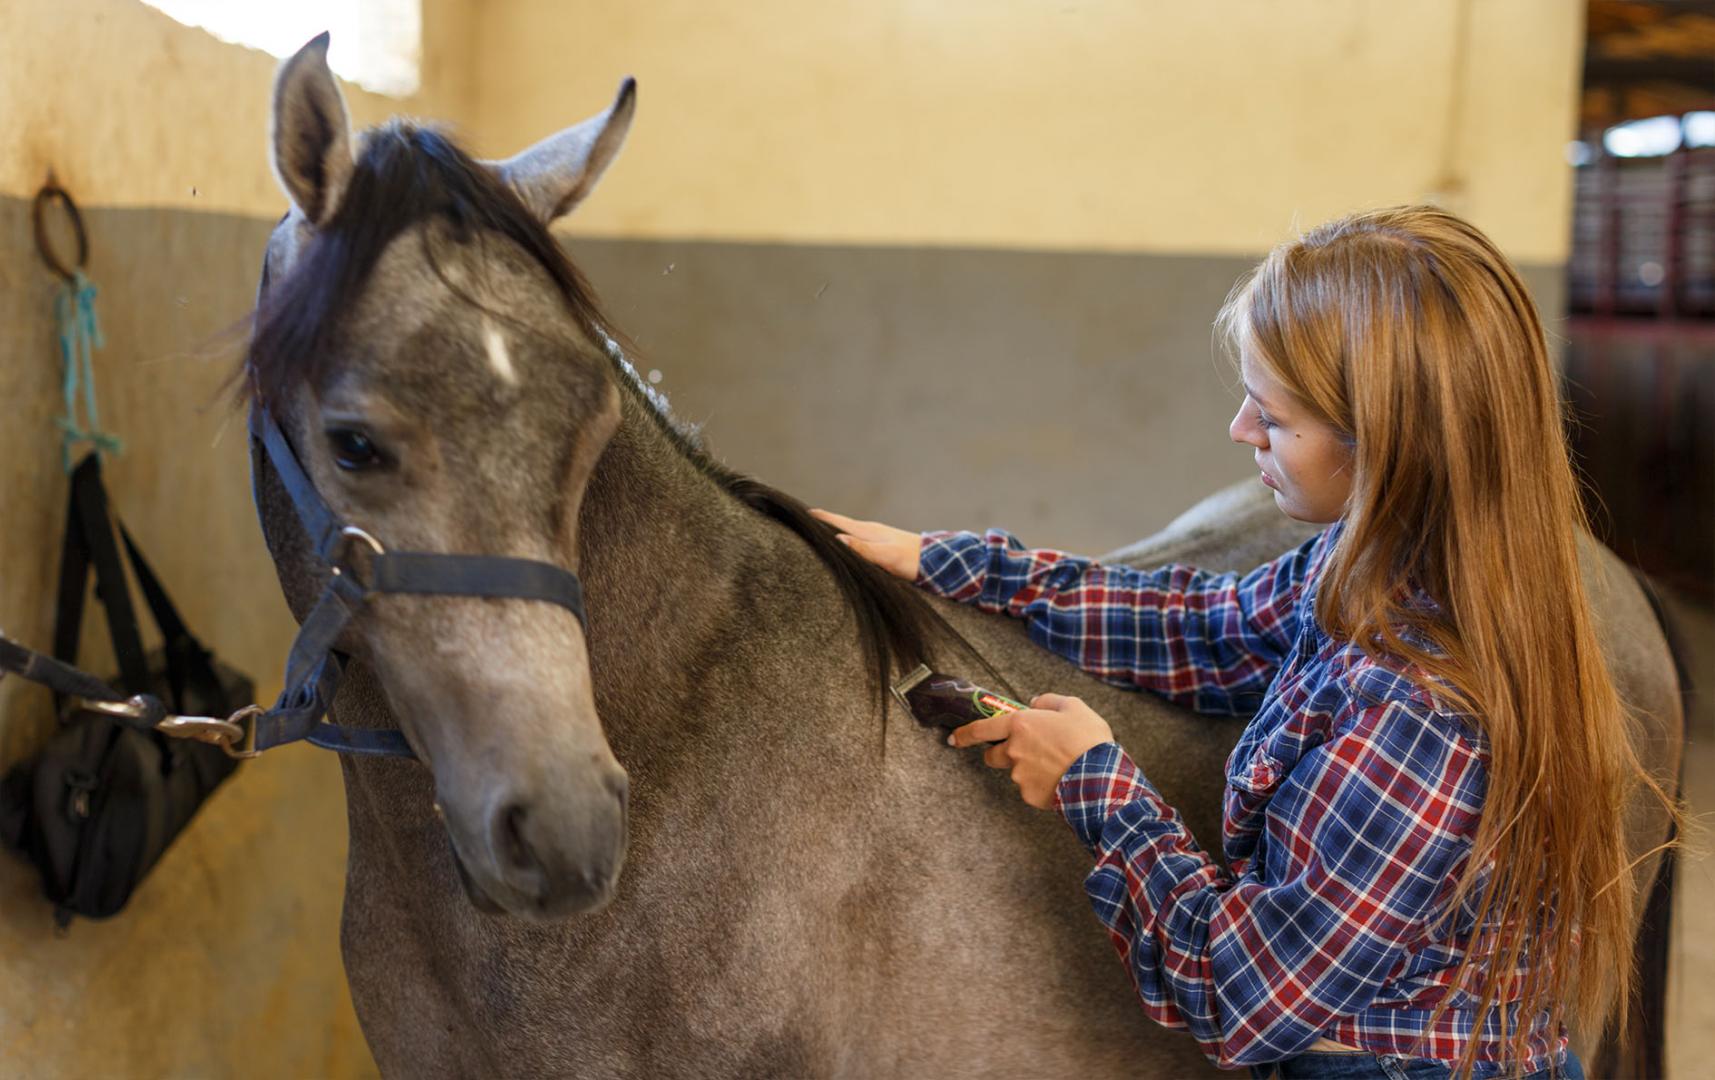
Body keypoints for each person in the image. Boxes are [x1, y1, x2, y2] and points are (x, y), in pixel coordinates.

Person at [811, 206, 1657, 1079]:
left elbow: (1244, 995)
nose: (1241, 431)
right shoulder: (1380, 567)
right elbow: (1209, 627)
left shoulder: (1423, 717)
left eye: (1274, 416)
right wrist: (956, 565)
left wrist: (1093, 784)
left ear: (1385, 446)